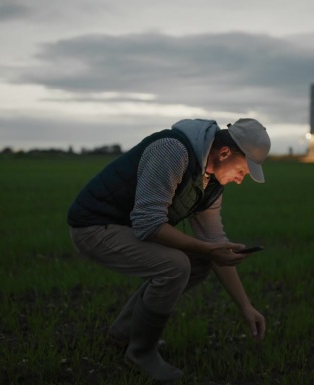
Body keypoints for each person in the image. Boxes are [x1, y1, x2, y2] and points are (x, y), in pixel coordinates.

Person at [67, 118, 270, 381]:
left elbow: (214, 242)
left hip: (126, 227)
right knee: (176, 265)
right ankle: (140, 352)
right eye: (242, 171)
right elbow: (148, 225)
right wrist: (209, 250)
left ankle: (124, 334)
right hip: (94, 226)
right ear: (224, 152)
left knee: (198, 261)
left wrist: (246, 306)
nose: (240, 180)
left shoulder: (212, 182)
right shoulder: (172, 151)